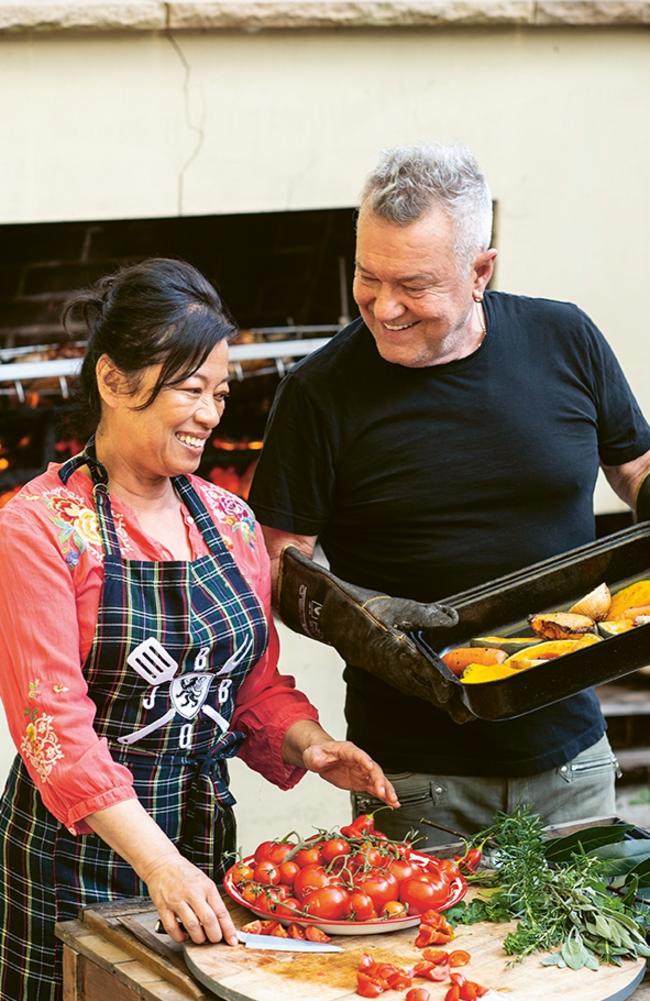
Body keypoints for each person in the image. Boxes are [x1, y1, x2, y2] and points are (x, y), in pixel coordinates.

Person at [0, 258, 399, 1001]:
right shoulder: (41, 527)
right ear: (115, 381)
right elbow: (51, 729)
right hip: (74, 854)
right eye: (190, 388)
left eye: (219, 392)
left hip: (199, 843)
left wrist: (310, 743)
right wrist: (159, 864)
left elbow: (250, 684)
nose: (212, 413)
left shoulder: (231, 521)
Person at [249, 143, 650, 848]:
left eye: (415, 284)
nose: (385, 306)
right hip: (411, 776)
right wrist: (361, 623)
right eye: (368, 277)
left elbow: (635, 468)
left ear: (480, 271)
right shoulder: (317, 394)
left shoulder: (566, 337)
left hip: (572, 755)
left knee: (583, 958)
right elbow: (278, 566)